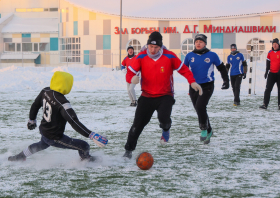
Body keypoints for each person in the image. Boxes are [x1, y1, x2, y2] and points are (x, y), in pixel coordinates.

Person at [123, 31, 202, 159]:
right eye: (151, 47)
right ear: (147, 45)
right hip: (147, 96)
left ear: (160, 46)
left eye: (156, 47)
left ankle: (166, 129)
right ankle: (128, 151)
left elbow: (184, 70)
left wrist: (192, 82)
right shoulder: (141, 56)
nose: (153, 50)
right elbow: (130, 72)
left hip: (165, 95)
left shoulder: (169, 56)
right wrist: (132, 78)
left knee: (164, 119)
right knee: (137, 125)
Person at [8, 71, 108, 162]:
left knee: (42, 144)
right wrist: (91, 135)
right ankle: (86, 160)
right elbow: (73, 121)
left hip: (44, 129)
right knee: (84, 146)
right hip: (54, 136)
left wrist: (32, 120)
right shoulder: (62, 103)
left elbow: (35, 105)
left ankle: (20, 156)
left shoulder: (45, 91)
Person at [184, 34, 229, 144]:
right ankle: (210, 130)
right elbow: (183, 70)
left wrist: (226, 81)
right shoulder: (189, 55)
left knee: (200, 106)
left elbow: (222, 68)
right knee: (199, 110)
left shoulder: (212, 55)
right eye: (196, 41)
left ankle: (204, 129)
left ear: (205, 43)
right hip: (194, 86)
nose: (198, 43)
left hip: (207, 86)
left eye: (201, 41)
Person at [259, 38, 280, 110]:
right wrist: (266, 71)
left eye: (276, 44)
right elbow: (268, 63)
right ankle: (265, 104)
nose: (274, 45)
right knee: (268, 89)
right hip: (271, 74)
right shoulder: (270, 52)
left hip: (279, 74)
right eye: (273, 44)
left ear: (278, 44)